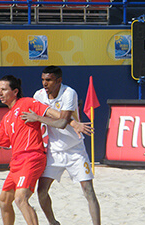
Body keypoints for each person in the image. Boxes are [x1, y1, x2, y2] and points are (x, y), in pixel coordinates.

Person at [0, 75, 91, 225]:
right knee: (3, 202)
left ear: (15, 91)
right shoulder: (7, 118)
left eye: (3, 89)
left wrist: (74, 123)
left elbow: (52, 112)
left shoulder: (27, 103)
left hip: (32, 158)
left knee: (21, 198)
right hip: (16, 163)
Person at [22, 66, 101, 225]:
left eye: (49, 80)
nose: (45, 83)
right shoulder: (39, 95)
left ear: (59, 80)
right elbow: (48, 114)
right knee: (42, 191)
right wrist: (74, 123)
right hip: (53, 151)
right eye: (43, 79)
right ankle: (53, 222)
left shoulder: (68, 93)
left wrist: (38, 117)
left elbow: (61, 122)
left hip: (75, 150)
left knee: (88, 191)